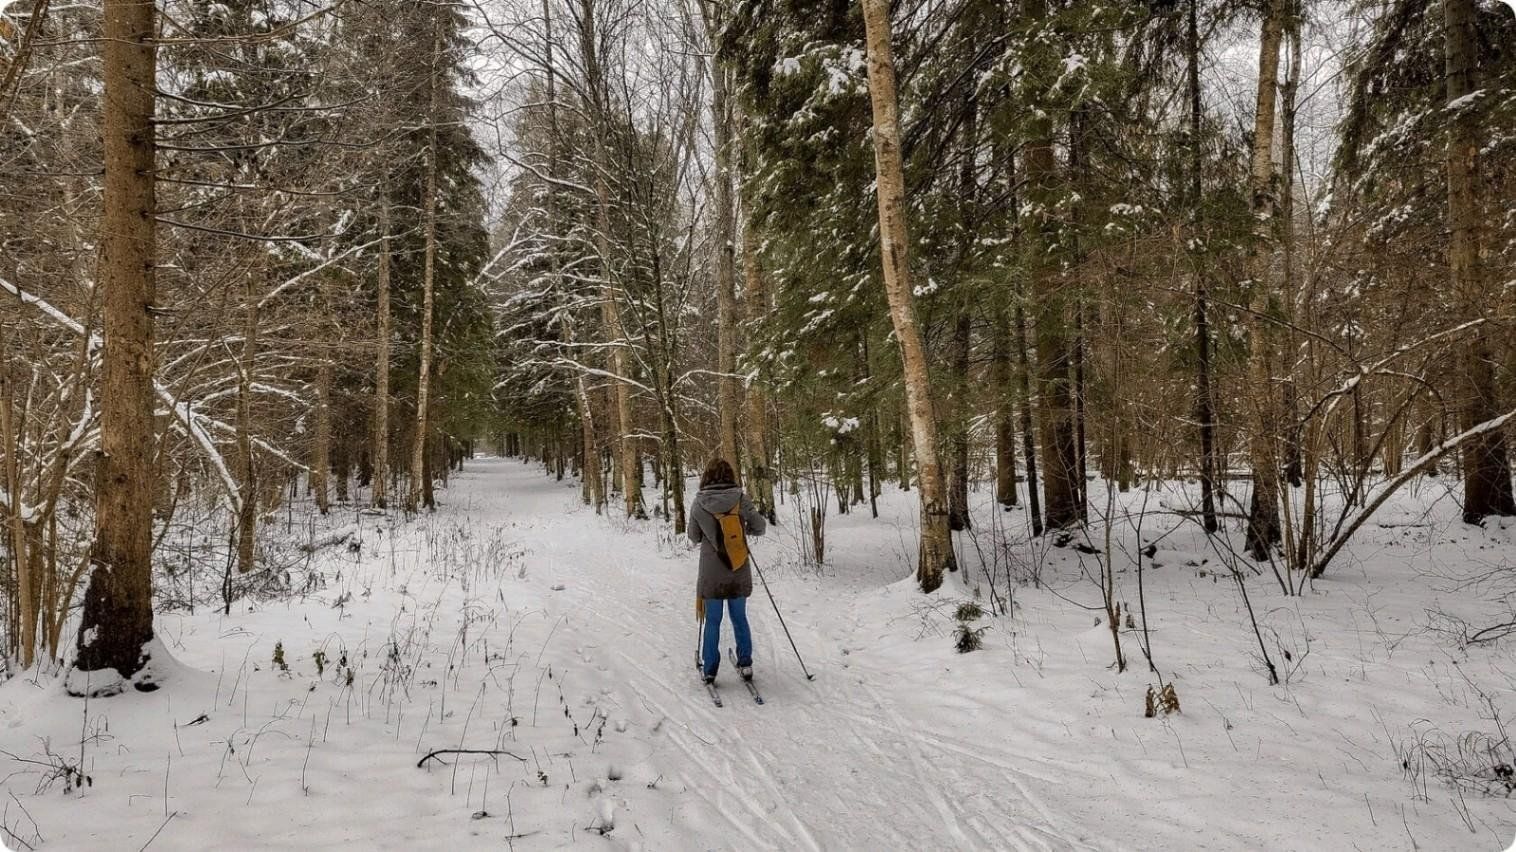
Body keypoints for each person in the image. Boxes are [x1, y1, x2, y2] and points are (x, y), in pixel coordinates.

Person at [688, 457, 767, 684]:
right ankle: (746, 663)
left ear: (706, 477)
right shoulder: (740, 499)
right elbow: (760, 527)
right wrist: (739, 533)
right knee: (739, 617)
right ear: (730, 475)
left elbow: (693, 536)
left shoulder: (699, 503)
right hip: (738, 565)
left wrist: (709, 533)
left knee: (712, 620)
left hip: (711, 572)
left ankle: (710, 669)